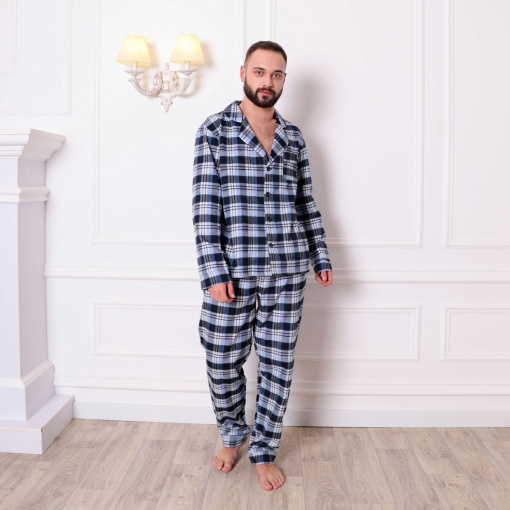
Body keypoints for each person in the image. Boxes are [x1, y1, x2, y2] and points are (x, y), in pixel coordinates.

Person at [192, 40, 333, 491]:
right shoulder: (214, 131)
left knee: (277, 365)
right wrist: (214, 272)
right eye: (259, 72)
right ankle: (232, 435)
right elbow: (205, 209)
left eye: (276, 74)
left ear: (284, 80)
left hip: (288, 270)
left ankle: (264, 451)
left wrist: (320, 255)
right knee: (221, 358)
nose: (267, 82)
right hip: (232, 273)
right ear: (243, 73)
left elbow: (305, 202)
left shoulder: (294, 138)